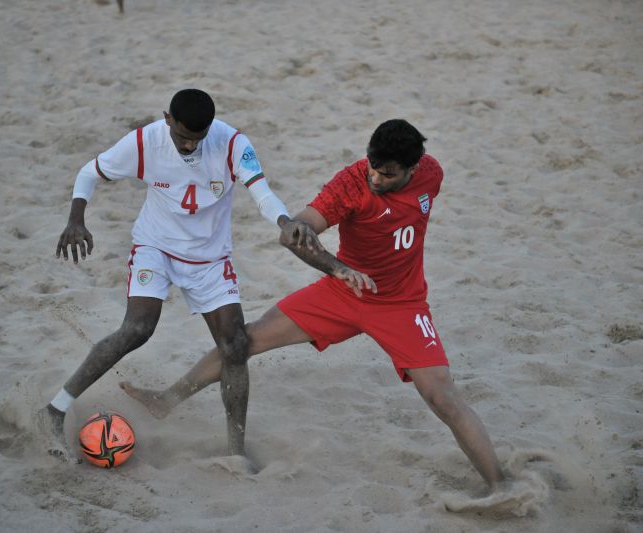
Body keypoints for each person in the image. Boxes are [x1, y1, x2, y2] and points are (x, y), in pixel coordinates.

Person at [120, 119, 507, 490]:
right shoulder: (351, 184)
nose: (376, 178)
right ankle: (165, 399)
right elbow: (294, 234)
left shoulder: (432, 174)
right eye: (373, 168)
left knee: (443, 397)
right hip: (341, 293)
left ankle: (499, 485)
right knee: (243, 340)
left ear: (413, 168)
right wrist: (333, 265)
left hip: (401, 304)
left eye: (388, 175)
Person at [41, 89, 294, 461]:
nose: (190, 145)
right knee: (137, 329)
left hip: (210, 258)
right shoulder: (145, 141)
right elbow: (88, 172)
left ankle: (234, 452)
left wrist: (285, 222)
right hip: (155, 247)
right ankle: (54, 410)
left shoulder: (232, 143)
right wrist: (76, 219)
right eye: (182, 136)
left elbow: (263, 194)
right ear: (167, 119)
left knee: (235, 346)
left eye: (198, 138)